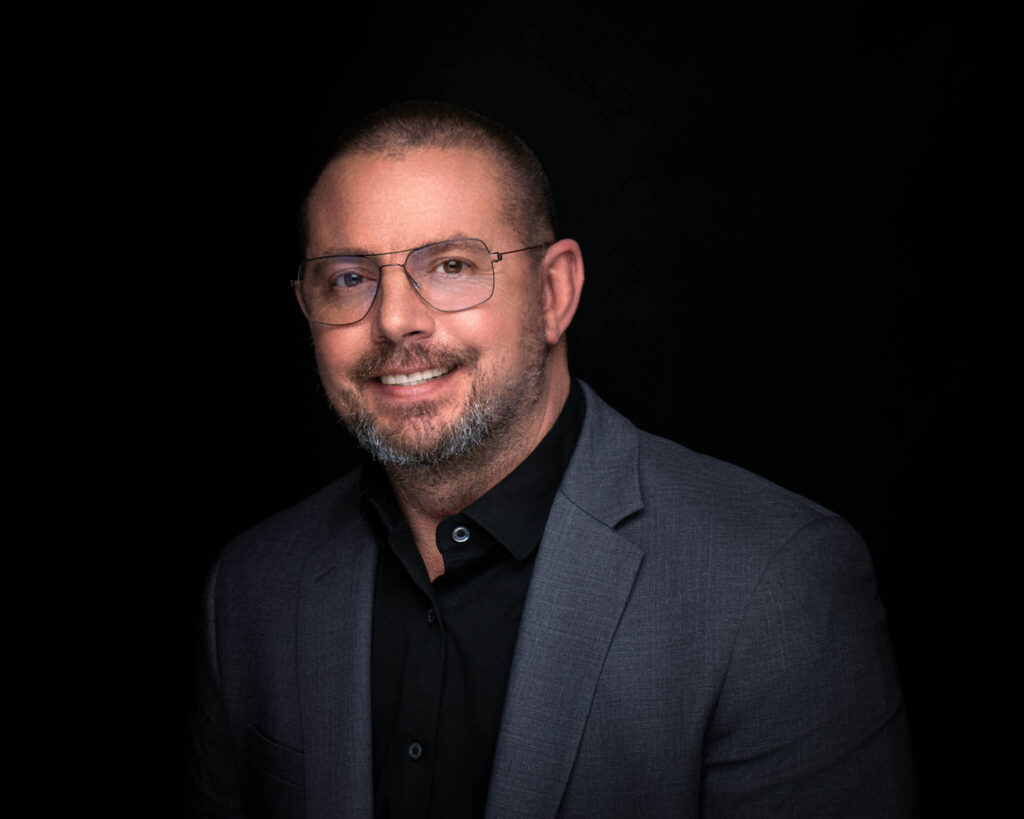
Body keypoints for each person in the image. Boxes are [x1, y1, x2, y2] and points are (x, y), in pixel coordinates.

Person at [188, 101, 916, 817]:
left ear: (554, 293)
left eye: (450, 265)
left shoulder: (771, 584)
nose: (395, 319)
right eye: (349, 277)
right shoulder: (252, 586)